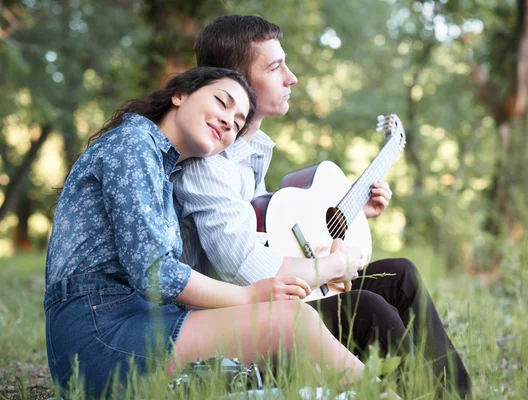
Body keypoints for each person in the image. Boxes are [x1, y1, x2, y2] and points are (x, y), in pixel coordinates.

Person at [172, 16, 471, 398]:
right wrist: (335, 265)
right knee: (367, 308)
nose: (291, 78)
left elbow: (272, 237)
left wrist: (349, 217)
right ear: (237, 82)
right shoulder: (208, 163)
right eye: (275, 67)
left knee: (400, 275)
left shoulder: (250, 152)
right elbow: (246, 269)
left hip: (275, 295)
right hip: (234, 318)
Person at [44, 67, 369, 398]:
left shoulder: (163, 167)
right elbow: (156, 272)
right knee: (290, 320)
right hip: (101, 332)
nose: (230, 121)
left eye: (239, 122)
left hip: (139, 320)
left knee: (293, 340)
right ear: (180, 94)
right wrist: (248, 296)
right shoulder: (133, 145)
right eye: (222, 102)